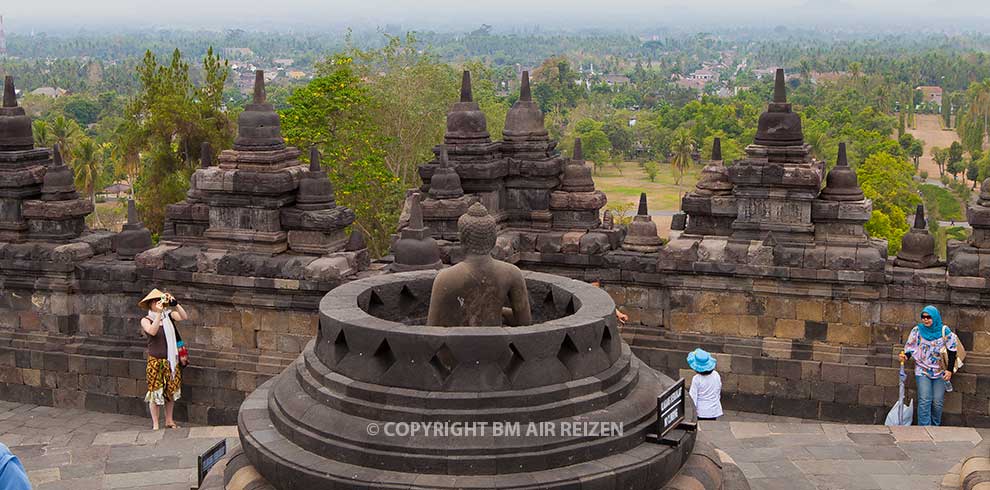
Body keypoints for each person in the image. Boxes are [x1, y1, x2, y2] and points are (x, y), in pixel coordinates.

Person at [899, 305, 957, 426]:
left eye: (929, 317)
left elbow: (952, 351)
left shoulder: (944, 331)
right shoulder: (917, 330)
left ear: (935, 317)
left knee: (937, 402)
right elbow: (911, 347)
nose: (925, 320)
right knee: (924, 400)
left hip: (940, 371)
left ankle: (935, 427)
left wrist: (949, 370)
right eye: (923, 317)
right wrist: (906, 356)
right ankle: (924, 428)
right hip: (922, 369)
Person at [139, 289, 189, 430]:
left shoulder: (169, 316)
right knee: (155, 392)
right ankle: (155, 423)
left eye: (160, 300)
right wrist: (159, 314)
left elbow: (184, 316)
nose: (158, 303)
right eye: (155, 301)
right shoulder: (146, 320)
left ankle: (169, 420)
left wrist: (175, 304)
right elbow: (153, 331)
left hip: (170, 361)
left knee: (170, 392)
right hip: (156, 361)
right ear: (150, 305)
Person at [687, 348, 723, 421]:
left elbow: (693, 397)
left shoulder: (696, 379)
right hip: (713, 410)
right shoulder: (716, 375)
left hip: (701, 411)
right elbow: (718, 390)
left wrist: (691, 412)